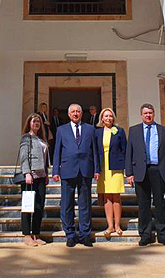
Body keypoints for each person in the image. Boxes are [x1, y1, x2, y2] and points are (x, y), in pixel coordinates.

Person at [53, 103, 101, 247]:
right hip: (67, 170)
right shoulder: (61, 130)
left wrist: (97, 169)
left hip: (85, 169)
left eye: (78, 112)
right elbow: (57, 151)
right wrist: (55, 170)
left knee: (85, 204)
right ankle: (70, 234)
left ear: (81, 114)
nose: (75, 114)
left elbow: (95, 150)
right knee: (67, 204)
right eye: (73, 112)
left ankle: (85, 234)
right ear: (68, 114)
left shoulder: (90, 129)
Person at [125, 103, 165, 246]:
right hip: (141, 172)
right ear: (142, 115)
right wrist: (129, 173)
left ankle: (163, 234)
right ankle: (145, 234)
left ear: (154, 114)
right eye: (145, 113)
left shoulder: (164, 131)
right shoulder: (134, 130)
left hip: (159, 171)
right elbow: (129, 152)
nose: (148, 115)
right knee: (143, 205)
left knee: (160, 204)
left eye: (150, 113)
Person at [18, 113, 50, 246]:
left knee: (39, 206)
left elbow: (45, 158)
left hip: (41, 176)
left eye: (38, 121)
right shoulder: (26, 138)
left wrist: (47, 173)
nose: (36, 123)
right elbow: (24, 157)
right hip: (30, 176)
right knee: (27, 205)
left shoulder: (41, 139)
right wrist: (27, 173)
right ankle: (27, 235)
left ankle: (36, 234)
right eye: (33, 121)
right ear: (29, 123)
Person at [95, 108, 127, 236]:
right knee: (107, 197)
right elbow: (95, 152)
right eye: (105, 116)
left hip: (116, 167)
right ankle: (110, 226)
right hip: (103, 168)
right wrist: (96, 169)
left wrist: (126, 169)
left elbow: (124, 149)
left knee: (116, 197)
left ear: (113, 118)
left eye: (110, 116)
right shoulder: (97, 132)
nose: (108, 118)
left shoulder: (119, 131)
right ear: (101, 118)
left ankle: (118, 225)